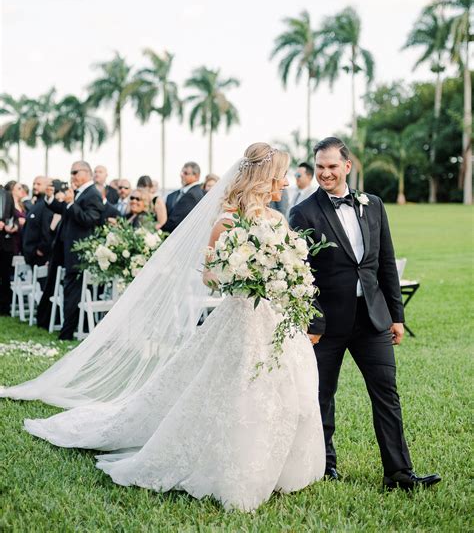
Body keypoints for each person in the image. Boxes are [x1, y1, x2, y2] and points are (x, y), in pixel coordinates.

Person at [2, 143, 325, 512]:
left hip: (276, 321)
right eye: (279, 174)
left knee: (283, 391)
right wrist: (240, 274)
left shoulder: (278, 221)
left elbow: (292, 269)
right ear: (262, 178)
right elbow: (208, 277)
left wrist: (284, 277)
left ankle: (279, 466)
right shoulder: (226, 223)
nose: (284, 181)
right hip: (240, 320)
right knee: (234, 391)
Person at [289, 137, 440, 491]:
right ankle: (325, 466)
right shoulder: (304, 212)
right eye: (319, 167)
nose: (324, 173)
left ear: (347, 166)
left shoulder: (372, 204)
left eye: (331, 166)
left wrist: (396, 316)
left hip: (373, 318)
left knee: (386, 392)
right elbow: (300, 274)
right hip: (326, 323)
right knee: (322, 395)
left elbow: (385, 262)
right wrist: (313, 321)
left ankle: (399, 472)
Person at [45, 161, 104, 340]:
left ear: (87, 172)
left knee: (72, 291)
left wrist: (71, 204)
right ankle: (66, 330)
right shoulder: (79, 193)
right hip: (67, 250)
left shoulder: (93, 194)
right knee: (69, 289)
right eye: (71, 172)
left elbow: (89, 220)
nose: (71, 176)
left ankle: (67, 333)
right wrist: (50, 198)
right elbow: (64, 209)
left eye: (75, 172)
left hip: (79, 252)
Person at [22, 176, 55, 268]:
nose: (35, 186)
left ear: (47, 186)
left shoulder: (46, 205)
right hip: (31, 255)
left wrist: (41, 249)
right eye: (34, 184)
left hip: (40, 257)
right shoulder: (36, 205)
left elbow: (47, 229)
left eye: (39, 184)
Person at [163, 162, 204, 233]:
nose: (181, 175)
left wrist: (159, 228)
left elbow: (176, 222)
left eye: (185, 173)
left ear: (196, 176)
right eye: (182, 172)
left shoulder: (192, 195)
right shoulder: (181, 193)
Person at [0, 186, 17, 315]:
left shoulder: (7, 194)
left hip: (5, 242)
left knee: (5, 276)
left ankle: (5, 308)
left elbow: (13, 216)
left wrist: (14, 226)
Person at [4, 181, 27, 255]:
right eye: (19, 188)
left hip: (22, 238)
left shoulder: (23, 205)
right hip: (12, 240)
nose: (22, 190)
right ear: (12, 190)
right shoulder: (6, 205)